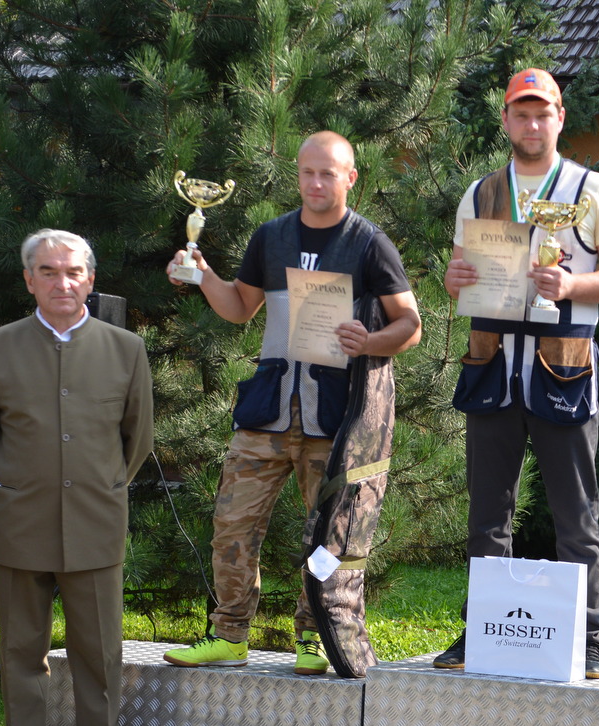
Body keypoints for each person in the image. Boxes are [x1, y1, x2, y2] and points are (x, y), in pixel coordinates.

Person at [162, 131, 420, 675]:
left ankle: (314, 637)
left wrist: (370, 342)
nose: (316, 183)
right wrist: (201, 274)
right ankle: (228, 635)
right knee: (231, 525)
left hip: (334, 417)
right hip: (268, 409)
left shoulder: (369, 243)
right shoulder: (272, 236)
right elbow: (240, 308)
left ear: (351, 178)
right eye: (308, 172)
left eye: (329, 173)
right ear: (297, 175)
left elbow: (410, 325)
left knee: (325, 536)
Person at [432, 67, 599, 679]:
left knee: (576, 515)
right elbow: (459, 274)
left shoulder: (591, 188)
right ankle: (481, 629)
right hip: (491, 367)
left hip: (562, 368)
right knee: (486, 514)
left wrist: (571, 285)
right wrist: (453, 279)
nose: (531, 124)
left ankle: (590, 637)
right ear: (505, 119)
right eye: (521, 113)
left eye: (542, 113)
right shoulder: (481, 192)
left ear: (559, 118)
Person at [0, 229, 154, 726]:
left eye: (73, 272)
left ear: (90, 279)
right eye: (48, 271)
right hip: (20, 522)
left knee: (100, 652)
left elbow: (138, 440)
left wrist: (102, 485)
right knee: (21, 651)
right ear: (29, 280)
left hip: (95, 522)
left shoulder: (125, 349)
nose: (62, 282)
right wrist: (16, 484)